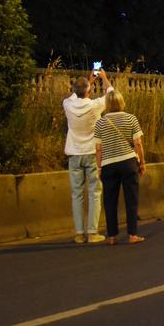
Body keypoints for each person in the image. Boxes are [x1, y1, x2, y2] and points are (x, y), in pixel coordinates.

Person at [63, 69, 114, 244]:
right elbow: (111, 94)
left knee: (76, 194)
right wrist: (104, 78)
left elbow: (76, 95)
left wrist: (89, 82)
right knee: (95, 192)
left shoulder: (67, 104)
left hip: (74, 154)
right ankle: (92, 232)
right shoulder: (95, 106)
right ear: (89, 92)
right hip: (92, 153)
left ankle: (79, 233)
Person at [94, 90, 146, 245]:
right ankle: (132, 234)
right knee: (131, 199)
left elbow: (98, 148)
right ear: (121, 102)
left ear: (107, 105)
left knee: (109, 201)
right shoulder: (131, 118)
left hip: (108, 165)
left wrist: (99, 168)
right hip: (128, 162)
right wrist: (142, 163)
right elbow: (138, 143)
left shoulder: (100, 122)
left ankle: (112, 236)